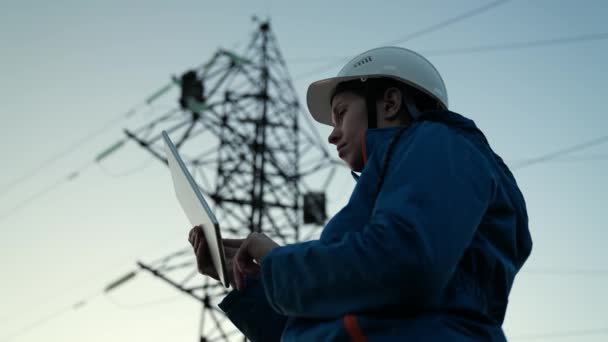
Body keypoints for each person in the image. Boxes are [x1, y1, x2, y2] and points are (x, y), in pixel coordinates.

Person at [188, 46, 533, 341]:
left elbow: (402, 261)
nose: (333, 135)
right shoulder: (392, 185)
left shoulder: (440, 143)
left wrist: (281, 264)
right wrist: (247, 281)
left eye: (341, 115)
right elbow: (325, 328)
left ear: (390, 103)